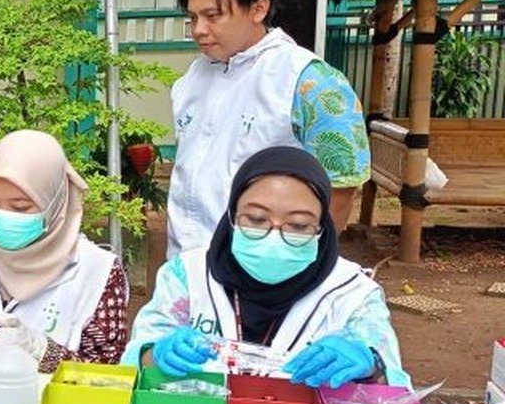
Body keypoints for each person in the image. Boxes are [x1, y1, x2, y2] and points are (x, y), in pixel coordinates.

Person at [124, 146, 409, 389]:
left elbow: (396, 394)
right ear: (232, 216)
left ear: (322, 228)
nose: (274, 237)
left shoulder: (352, 294)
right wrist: (155, 354)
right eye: (256, 219)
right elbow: (134, 364)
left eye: (298, 225)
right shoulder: (187, 275)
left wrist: (372, 366)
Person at [166, 0, 370, 258]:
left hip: (265, 265)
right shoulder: (193, 78)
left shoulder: (309, 82)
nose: (199, 30)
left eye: (213, 16)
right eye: (193, 18)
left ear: (258, 9)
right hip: (187, 263)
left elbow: (341, 187)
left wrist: (305, 264)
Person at [0, 130, 129, 372]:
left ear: (54, 204)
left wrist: (43, 351)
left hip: (50, 398)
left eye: (20, 207)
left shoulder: (96, 272)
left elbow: (108, 374)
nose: (4, 216)